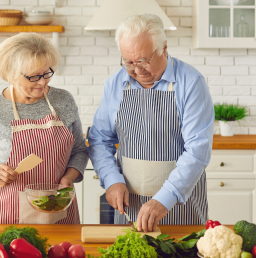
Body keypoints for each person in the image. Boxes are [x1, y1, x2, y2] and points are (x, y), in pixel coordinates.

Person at [88, 14, 214, 232]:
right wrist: (111, 179)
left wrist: (164, 199)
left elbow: (197, 151)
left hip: (179, 208)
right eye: (128, 62)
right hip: (128, 209)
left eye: (144, 61)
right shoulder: (115, 84)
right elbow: (100, 139)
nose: (137, 71)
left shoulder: (191, 83)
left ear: (164, 48)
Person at [0, 33, 88, 224]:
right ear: (11, 75)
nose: (42, 82)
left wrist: (69, 177)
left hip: (57, 209)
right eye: (34, 76)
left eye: (47, 73)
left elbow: (79, 150)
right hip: (7, 215)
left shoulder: (64, 101)